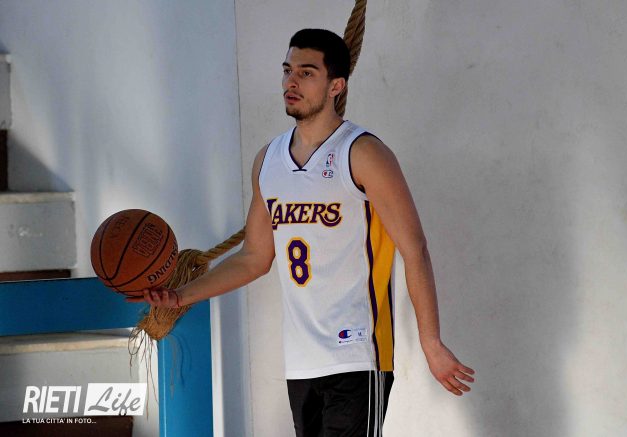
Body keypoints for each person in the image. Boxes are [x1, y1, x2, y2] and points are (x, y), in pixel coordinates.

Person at [129, 28, 474, 436]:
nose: (291, 82)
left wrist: (431, 343)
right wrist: (181, 295)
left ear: (336, 86)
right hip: (301, 362)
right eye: (287, 70)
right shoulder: (268, 160)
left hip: (358, 354)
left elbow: (415, 249)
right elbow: (254, 258)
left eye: (307, 73)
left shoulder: (363, 153)